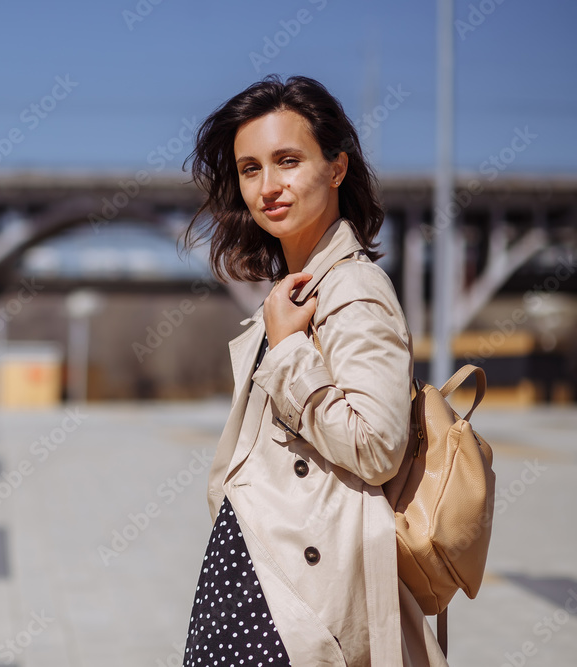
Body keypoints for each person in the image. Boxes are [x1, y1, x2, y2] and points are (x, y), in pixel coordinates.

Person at [178, 74, 448, 665]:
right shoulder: (297, 292)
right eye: (250, 169)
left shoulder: (353, 289)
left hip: (299, 593)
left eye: (288, 161)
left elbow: (377, 448)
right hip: (257, 570)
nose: (268, 186)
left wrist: (290, 352)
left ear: (336, 169)